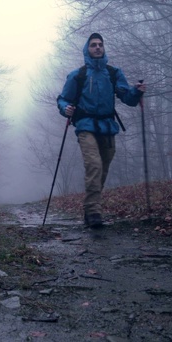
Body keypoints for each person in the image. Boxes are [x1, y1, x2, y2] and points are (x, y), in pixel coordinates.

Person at [57, 32, 146, 227]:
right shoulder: (78, 75)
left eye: (100, 45)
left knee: (103, 169)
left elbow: (127, 98)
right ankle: (94, 212)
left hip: (107, 127)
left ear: (103, 48)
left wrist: (136, 92)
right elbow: (63, 99)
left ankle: (91, 208)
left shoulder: (114, 73)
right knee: (94, 165)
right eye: (93, 45)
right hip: (85, 126)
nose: (97, 47)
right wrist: (66, 109)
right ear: (87, 49)